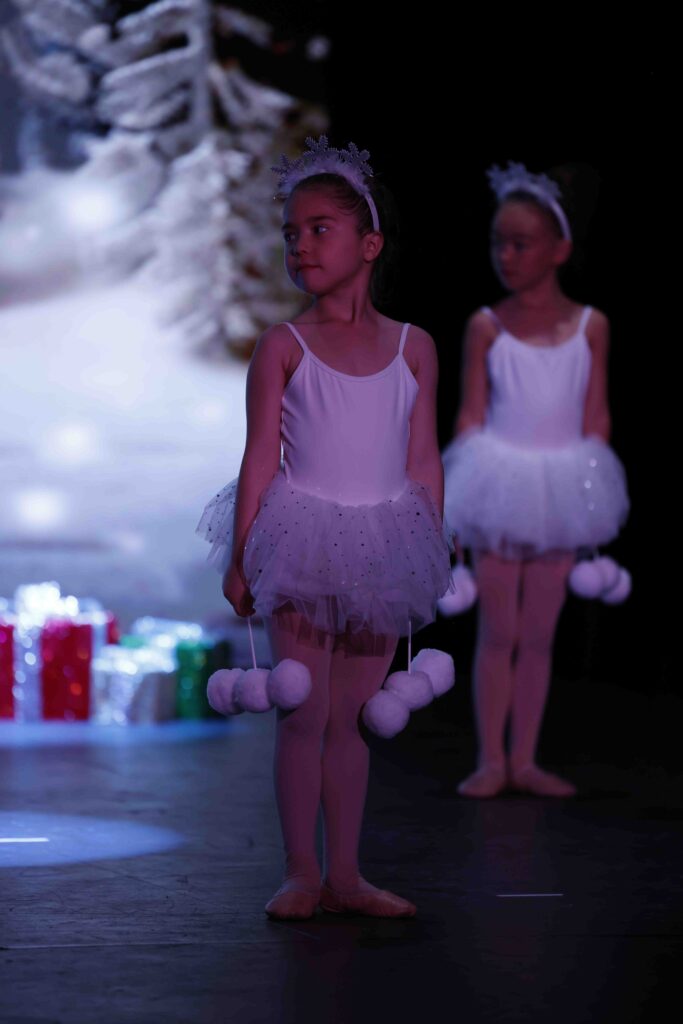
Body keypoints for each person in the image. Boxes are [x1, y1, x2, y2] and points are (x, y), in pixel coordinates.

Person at [197, 137, 450, 917]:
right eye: (290, 233)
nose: (299, 245)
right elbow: (259, 458)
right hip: (302, 541)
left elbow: (423, 459)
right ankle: (301, 871)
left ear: (368, 244)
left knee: (353, 720)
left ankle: (346, 873)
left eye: (318, 229)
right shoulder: (284, 346)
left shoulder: (413, 347)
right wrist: (242, 557)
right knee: (303, 712)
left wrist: (427, 554)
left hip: (383, 545)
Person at [442, 162, 629, 799]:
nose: (507, 255)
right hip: (499, 486)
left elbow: (596, 416)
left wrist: (590, 497)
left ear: (559, 249)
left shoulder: (591, 326)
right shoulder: (485, 326)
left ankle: (524, 759)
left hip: (561, 488)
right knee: (498, 632)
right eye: (499, 242)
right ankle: (490, 759)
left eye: (521, 243)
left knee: (541, 635)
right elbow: (470, 416)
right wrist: (459, 504)